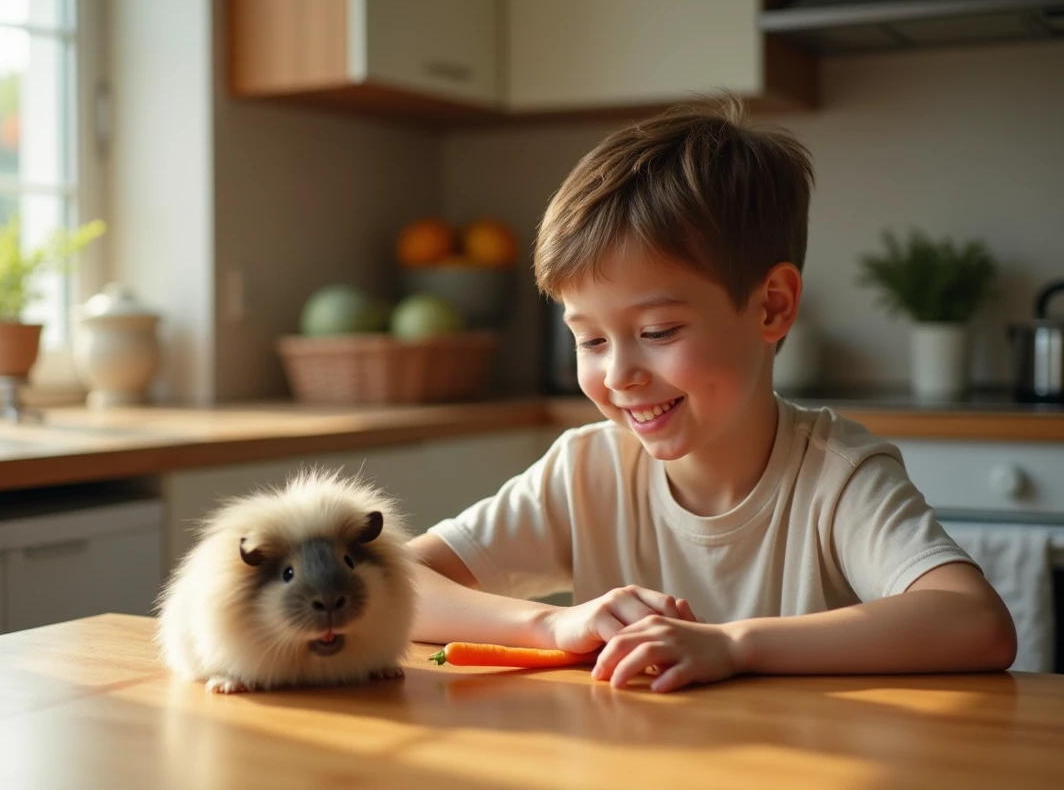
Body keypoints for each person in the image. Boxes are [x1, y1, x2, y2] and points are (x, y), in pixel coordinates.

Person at [406, 95, 1016, 693]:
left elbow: (976, 623)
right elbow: (394, 580)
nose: (618, 374)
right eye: (589, 340)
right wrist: (552, 623)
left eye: (657, 332)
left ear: (772, 305)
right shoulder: (584, 471)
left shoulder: (839, 478)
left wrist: (734, 644)